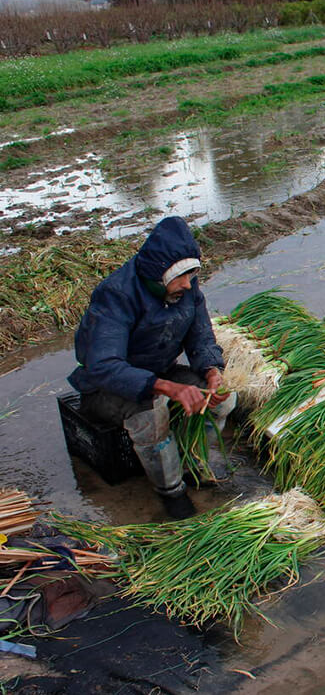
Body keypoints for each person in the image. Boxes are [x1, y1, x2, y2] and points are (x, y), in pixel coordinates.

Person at [68, 217, 236, 519]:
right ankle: (171, 490)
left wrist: (212, 371)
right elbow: (104, 365)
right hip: (107, 386)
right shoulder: (116, 295)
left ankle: (192, 463)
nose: (188, 283)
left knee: (223, 402)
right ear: (158, 275)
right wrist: (167, 387)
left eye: (192, 274)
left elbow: (201, 336)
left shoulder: (188, 289)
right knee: (152, 414)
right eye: (180, 277)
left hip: (159, 370)